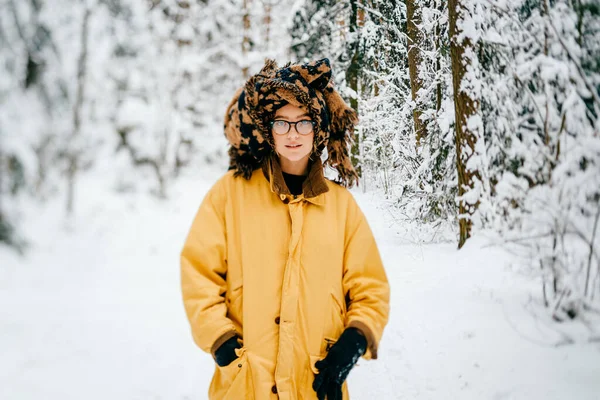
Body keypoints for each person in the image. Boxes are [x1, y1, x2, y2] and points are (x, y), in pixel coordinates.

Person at [180, 58, 390, 400]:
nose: (293, 134)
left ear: (317, 129)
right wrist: (220, 340)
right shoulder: (230, 194)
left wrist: (355, 339)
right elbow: (198, 273)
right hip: (246, 384)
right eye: (282, 123)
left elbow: (371, 289)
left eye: (303, 123)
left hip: (316, 384)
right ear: (269, 130)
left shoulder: (341, 208)